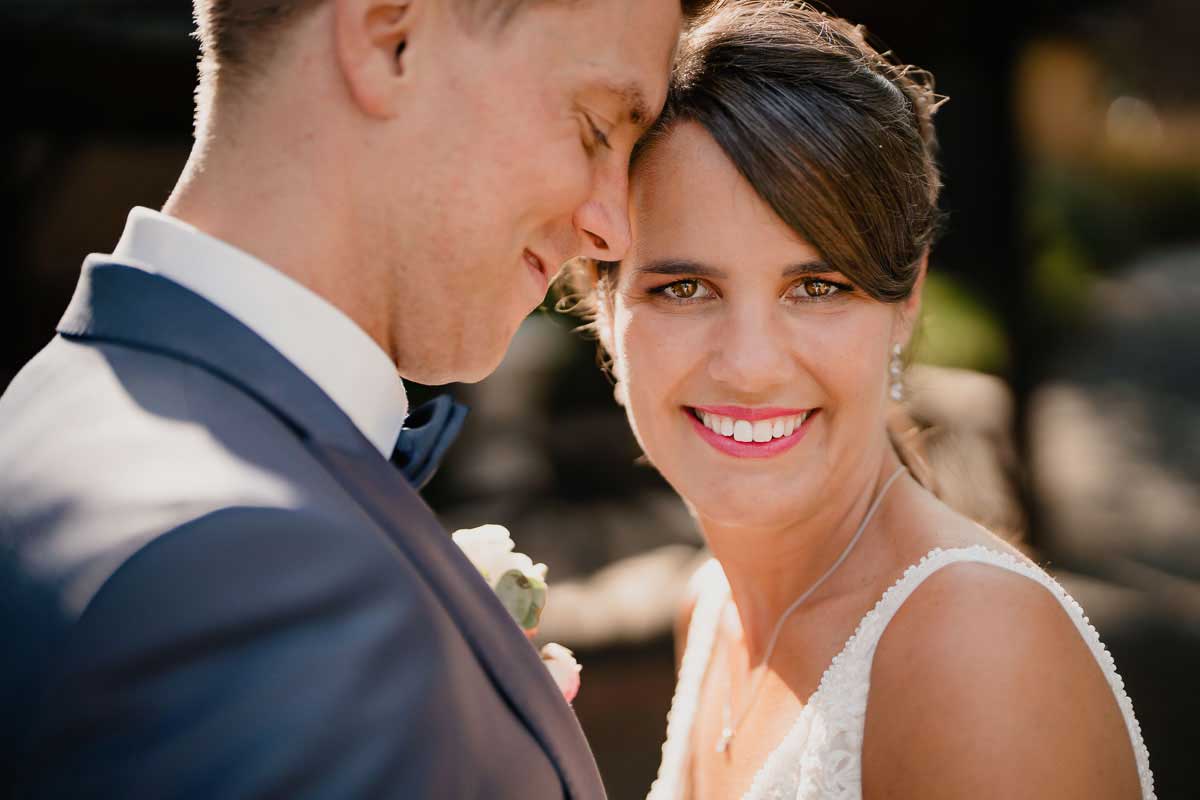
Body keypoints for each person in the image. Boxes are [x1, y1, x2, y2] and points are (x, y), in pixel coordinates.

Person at [0, 0, 703, 796]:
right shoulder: (256, 572)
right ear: (389, 37)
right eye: (595, 128)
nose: (613, 229)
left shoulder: (55, 406)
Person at [564, 2, 1155, 797]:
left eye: (816, 286)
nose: (749, 366)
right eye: (684, 288)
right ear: (603, 302)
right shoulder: (707, 610)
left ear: (905, 299)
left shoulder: (978, 647)